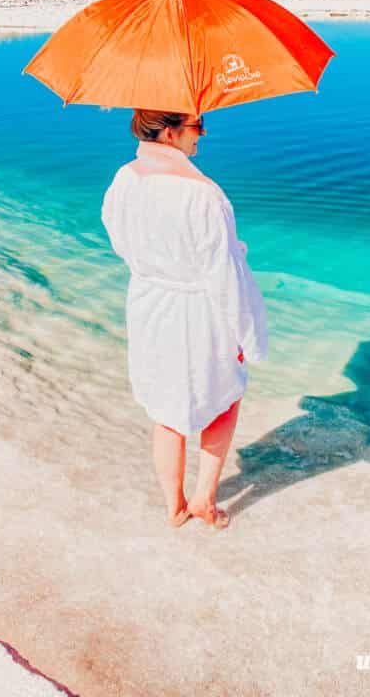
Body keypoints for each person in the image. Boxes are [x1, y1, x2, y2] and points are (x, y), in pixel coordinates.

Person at [101, 109, 268, 530]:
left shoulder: (125, 179)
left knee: (166, 410)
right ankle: (204, 502)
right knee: (226, 397)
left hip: (149, 302)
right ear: (172, 132)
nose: (203, 135)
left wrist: (158, 265)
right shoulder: (204, 194)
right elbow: (225, 276)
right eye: (198, 127)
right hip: (198, 310)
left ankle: (173, 507)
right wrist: (249, 337)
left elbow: (118, 238)